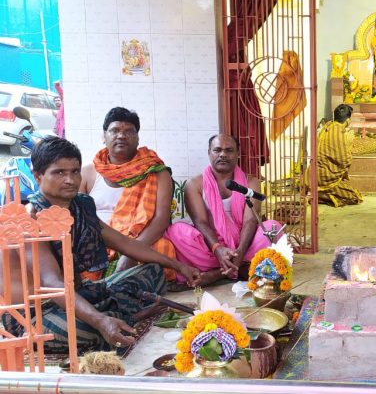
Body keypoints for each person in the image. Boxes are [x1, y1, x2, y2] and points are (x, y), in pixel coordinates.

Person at [0, 137, 199, 354]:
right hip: (35, 314)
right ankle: (113, 317)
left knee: (154, 271)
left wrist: (178, 266)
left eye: (75, 172)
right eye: (59, 173)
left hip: (79, 294)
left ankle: (112, 315)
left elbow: (124, 243)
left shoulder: (80, 207)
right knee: (91, 330)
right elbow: (52, 283)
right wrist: (100, 321)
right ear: (38, 176)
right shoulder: (29, 219)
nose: (70, 180)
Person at [165, 134, 281, 286]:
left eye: (229, 150)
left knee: (273, 228)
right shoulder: (194, 184)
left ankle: (218, 274)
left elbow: (250, 220)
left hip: (245, 245)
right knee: (177, 231)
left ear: (238, 154)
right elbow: (200, 222)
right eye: (217, 150)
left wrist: (239, 252)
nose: (223, 154)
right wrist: (217, 248)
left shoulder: (251, 182)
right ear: (209, 153)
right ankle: (243, 269)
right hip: (211, 248)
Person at [80, 107, 176, 278]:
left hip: (140, 240)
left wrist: (131, 252)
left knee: (161, 247)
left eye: (129, 131)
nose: (121, 136)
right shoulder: (87, 173)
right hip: (97, 240)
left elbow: (161, 220)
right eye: (115, 130)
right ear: (104, 136)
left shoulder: (157, 172)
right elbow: (79, 217)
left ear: (138, 138)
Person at [316, 104, 363, 207]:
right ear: (348, 120)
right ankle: (322, 194)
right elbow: (344, 160)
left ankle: (321, 193)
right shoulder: (338, 133)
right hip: (327, 177)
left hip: (316, 173)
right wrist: (349, 144)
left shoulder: (328, 126)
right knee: (355, 197)